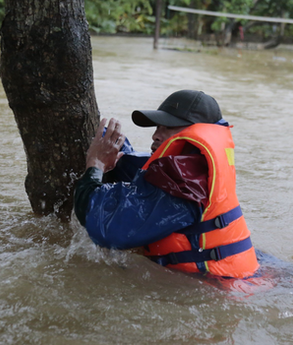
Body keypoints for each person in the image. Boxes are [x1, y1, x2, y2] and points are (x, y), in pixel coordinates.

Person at [73, 90, 260, 279]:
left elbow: (106, 226)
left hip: (217, 288)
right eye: (157, 127)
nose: (155, 135)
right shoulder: (196, 167)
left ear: (195, 132)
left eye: (168, 127)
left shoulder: (185, 184)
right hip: (241, 278)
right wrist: (112, 143)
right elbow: (143, 176)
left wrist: (95, 164)